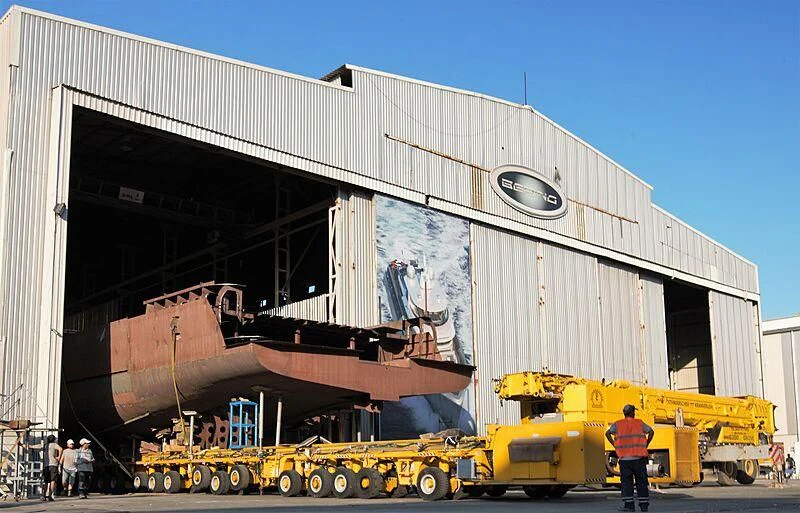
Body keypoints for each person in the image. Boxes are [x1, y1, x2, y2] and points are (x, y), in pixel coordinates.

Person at [606, 404, 655, 512]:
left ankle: (629, 506)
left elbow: (607, 433)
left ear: (624, 413)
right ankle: (644, 506)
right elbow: (651, 431)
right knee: (641, 482)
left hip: (624, 459)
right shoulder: (639, 423)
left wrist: (614, 444)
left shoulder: (618, 424)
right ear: (633, 412)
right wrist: (646, 443)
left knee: (627, 483)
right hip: (639, 459)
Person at [41, 434, 62, 502]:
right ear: (54, 439)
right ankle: (50, 496)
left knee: (46, 481)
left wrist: (23, 445)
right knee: (52, 481)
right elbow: (61, 449)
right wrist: (59, 457)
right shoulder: (54, 444)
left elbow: (33, 446)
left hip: (46, 465)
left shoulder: (45, 445)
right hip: (53, 464)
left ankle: (43, 495)